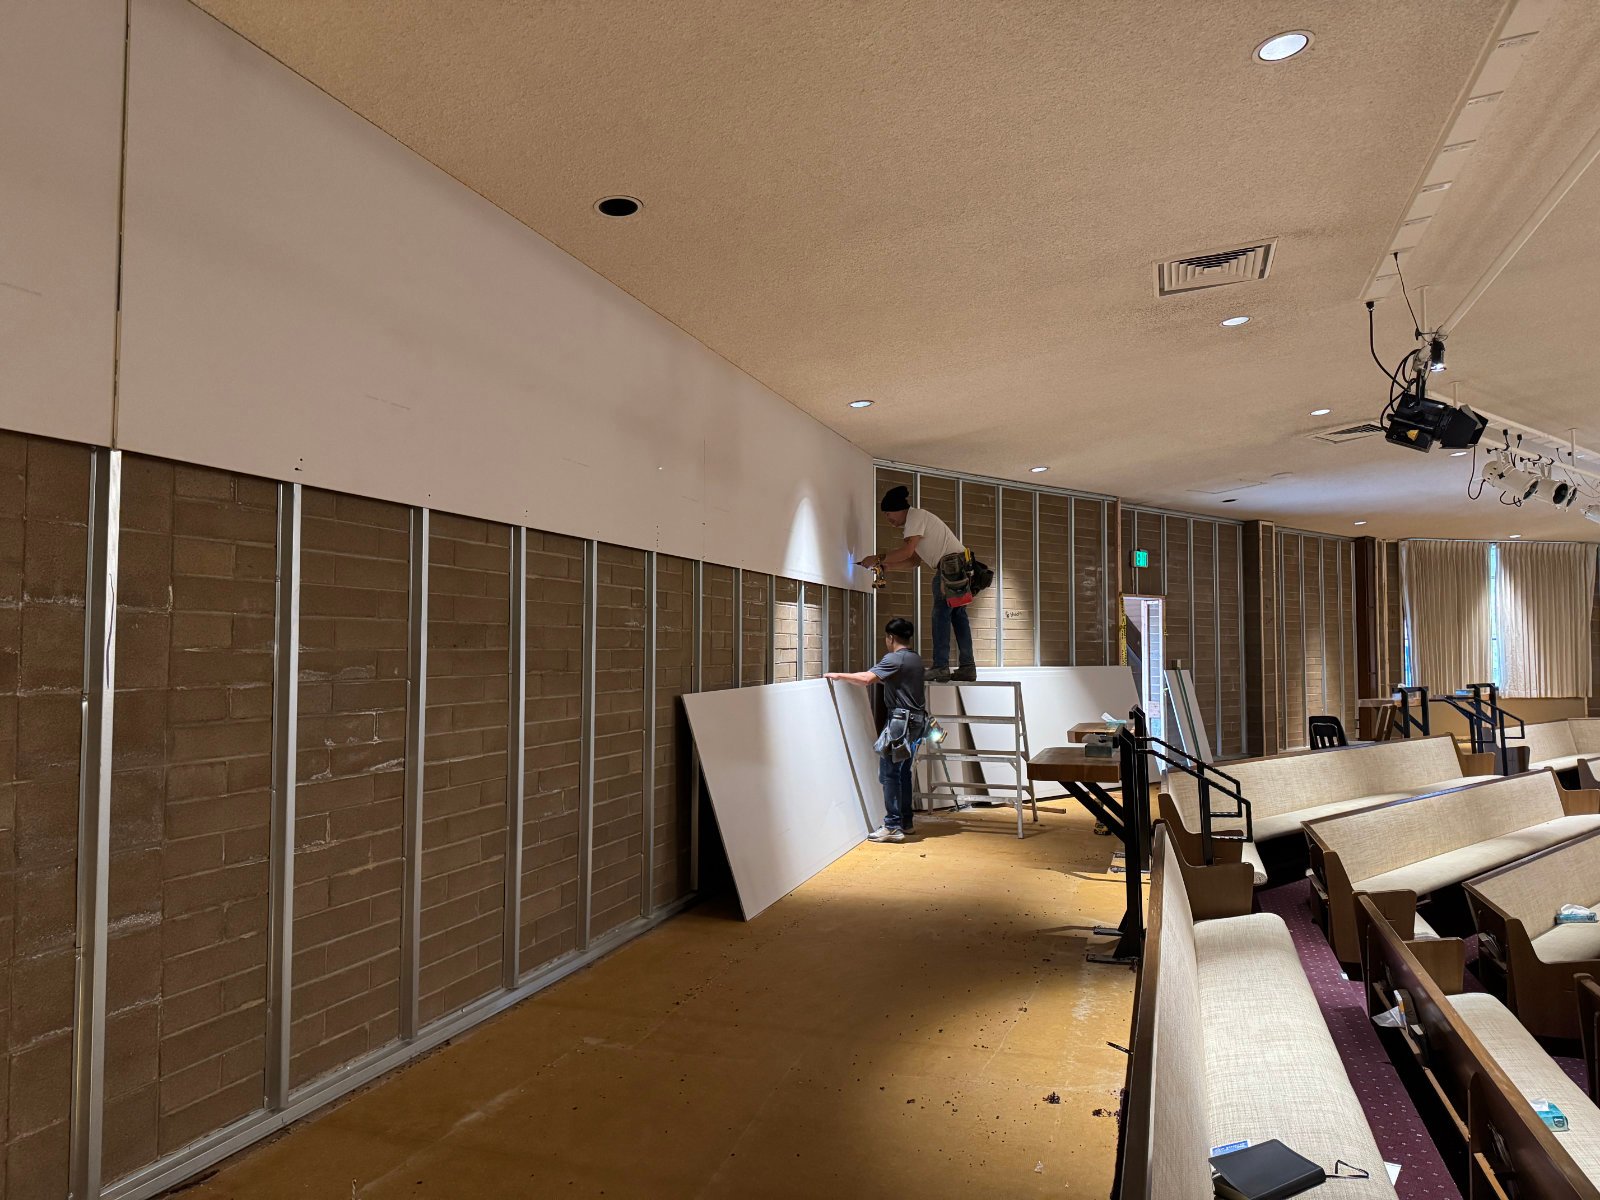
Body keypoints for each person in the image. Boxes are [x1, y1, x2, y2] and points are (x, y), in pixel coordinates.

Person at [825, 616, 926, 843]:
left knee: (889, 774)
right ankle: (906, 822)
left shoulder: (894, 658)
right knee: (903, 773)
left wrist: (838, 675)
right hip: (916, 722)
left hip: (900, 723)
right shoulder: (915, 659)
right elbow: (897, 682)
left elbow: (866, 679)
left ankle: (892, 826)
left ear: (890, 637)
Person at [862, 484, 975, 682]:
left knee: (940, 616)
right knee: (958, 618)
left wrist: (877, 558)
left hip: (950, 568)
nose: (888, 519)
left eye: (888, 514)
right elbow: (914, 560)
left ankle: (941, 667)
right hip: (959, 567)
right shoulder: (916, 522)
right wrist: (888, 566)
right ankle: (967, 667)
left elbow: (906, 552)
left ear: (899, 509)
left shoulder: (915, 517)